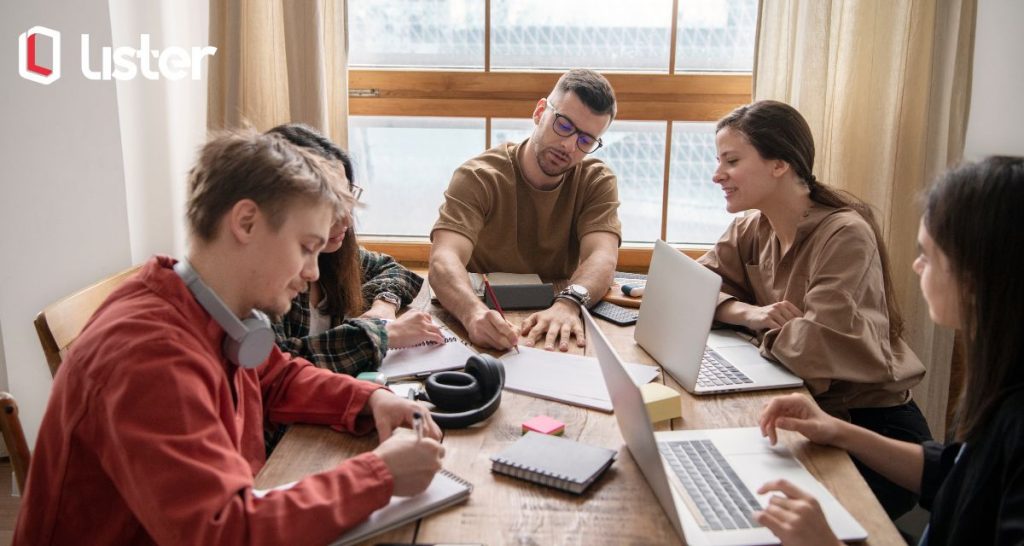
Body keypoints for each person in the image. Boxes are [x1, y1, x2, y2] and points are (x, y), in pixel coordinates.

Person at [14, 130, 445, 545]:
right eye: (305, 247)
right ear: (245, 222)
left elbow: (276, 377)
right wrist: (379, 476)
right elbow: (223, 532)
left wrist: (371, 400)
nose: (313, 272)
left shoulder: (201, 305)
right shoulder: (149, 355)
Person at [754, 156, 1024, 545]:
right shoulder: (1001, 377)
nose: (916, 266)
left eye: (928, 255)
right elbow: (958, 475)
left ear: (976, 276)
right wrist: (841, 432)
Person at [699, 100, 930, 518]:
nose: (717, 175)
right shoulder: (753, 227)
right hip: (806, 411)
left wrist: (759, 327)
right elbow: (690, 290)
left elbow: (812, 350)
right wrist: (749, 314)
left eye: (731, 161)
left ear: (779, 164)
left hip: (870, 426)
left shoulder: (845, 235)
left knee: (748, 513)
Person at [429, 68, 622, 353]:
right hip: (483, 313)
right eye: (564, 125)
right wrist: (473, 314)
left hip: (559, 315)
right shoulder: (478, 176)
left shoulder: (596, 180)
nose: (569, 145)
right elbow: (443, 259)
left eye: (585, 140)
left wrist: (569, 303)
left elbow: (602, 255)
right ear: (540, 111)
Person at [266, 124, 443, 376]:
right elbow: (280, 371)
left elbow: (392, 269)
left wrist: (384, 304)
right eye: (331, 203)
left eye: (348, 198)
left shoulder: (334, 255)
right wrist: (382, 334)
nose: (347, 221)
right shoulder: (265, 282)